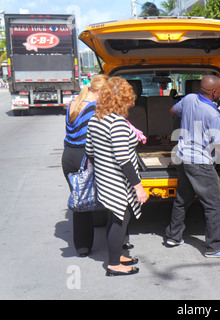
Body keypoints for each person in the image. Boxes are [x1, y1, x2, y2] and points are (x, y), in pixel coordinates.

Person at [165, 75, 220, 258]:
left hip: (182, 157)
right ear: (214, 92)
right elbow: (218, 146)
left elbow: (171, 111)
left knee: (182, 199)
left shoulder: (189, 99)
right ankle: (214, 247)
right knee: (214, 205)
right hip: (200, 163)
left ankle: (173, 236)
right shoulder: (213, 114)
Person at [86, 76, 149, 276]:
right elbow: (123, 160)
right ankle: (114, 264)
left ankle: (117, 254)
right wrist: (138, 187)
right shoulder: (117, 123)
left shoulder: (96, 119)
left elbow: (89, 151)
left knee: (116, 217)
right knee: (119, 219)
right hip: (117, 181)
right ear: (123, 99)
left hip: (104, 178)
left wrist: (103, 170)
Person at [62, 74, 108, 257]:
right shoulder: (96, 108)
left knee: (79, 199)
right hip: (84, 157)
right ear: (100, 91)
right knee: (100, 198)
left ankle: (82, 246)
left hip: (68, 156)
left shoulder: (73, 102)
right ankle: (117, 240)